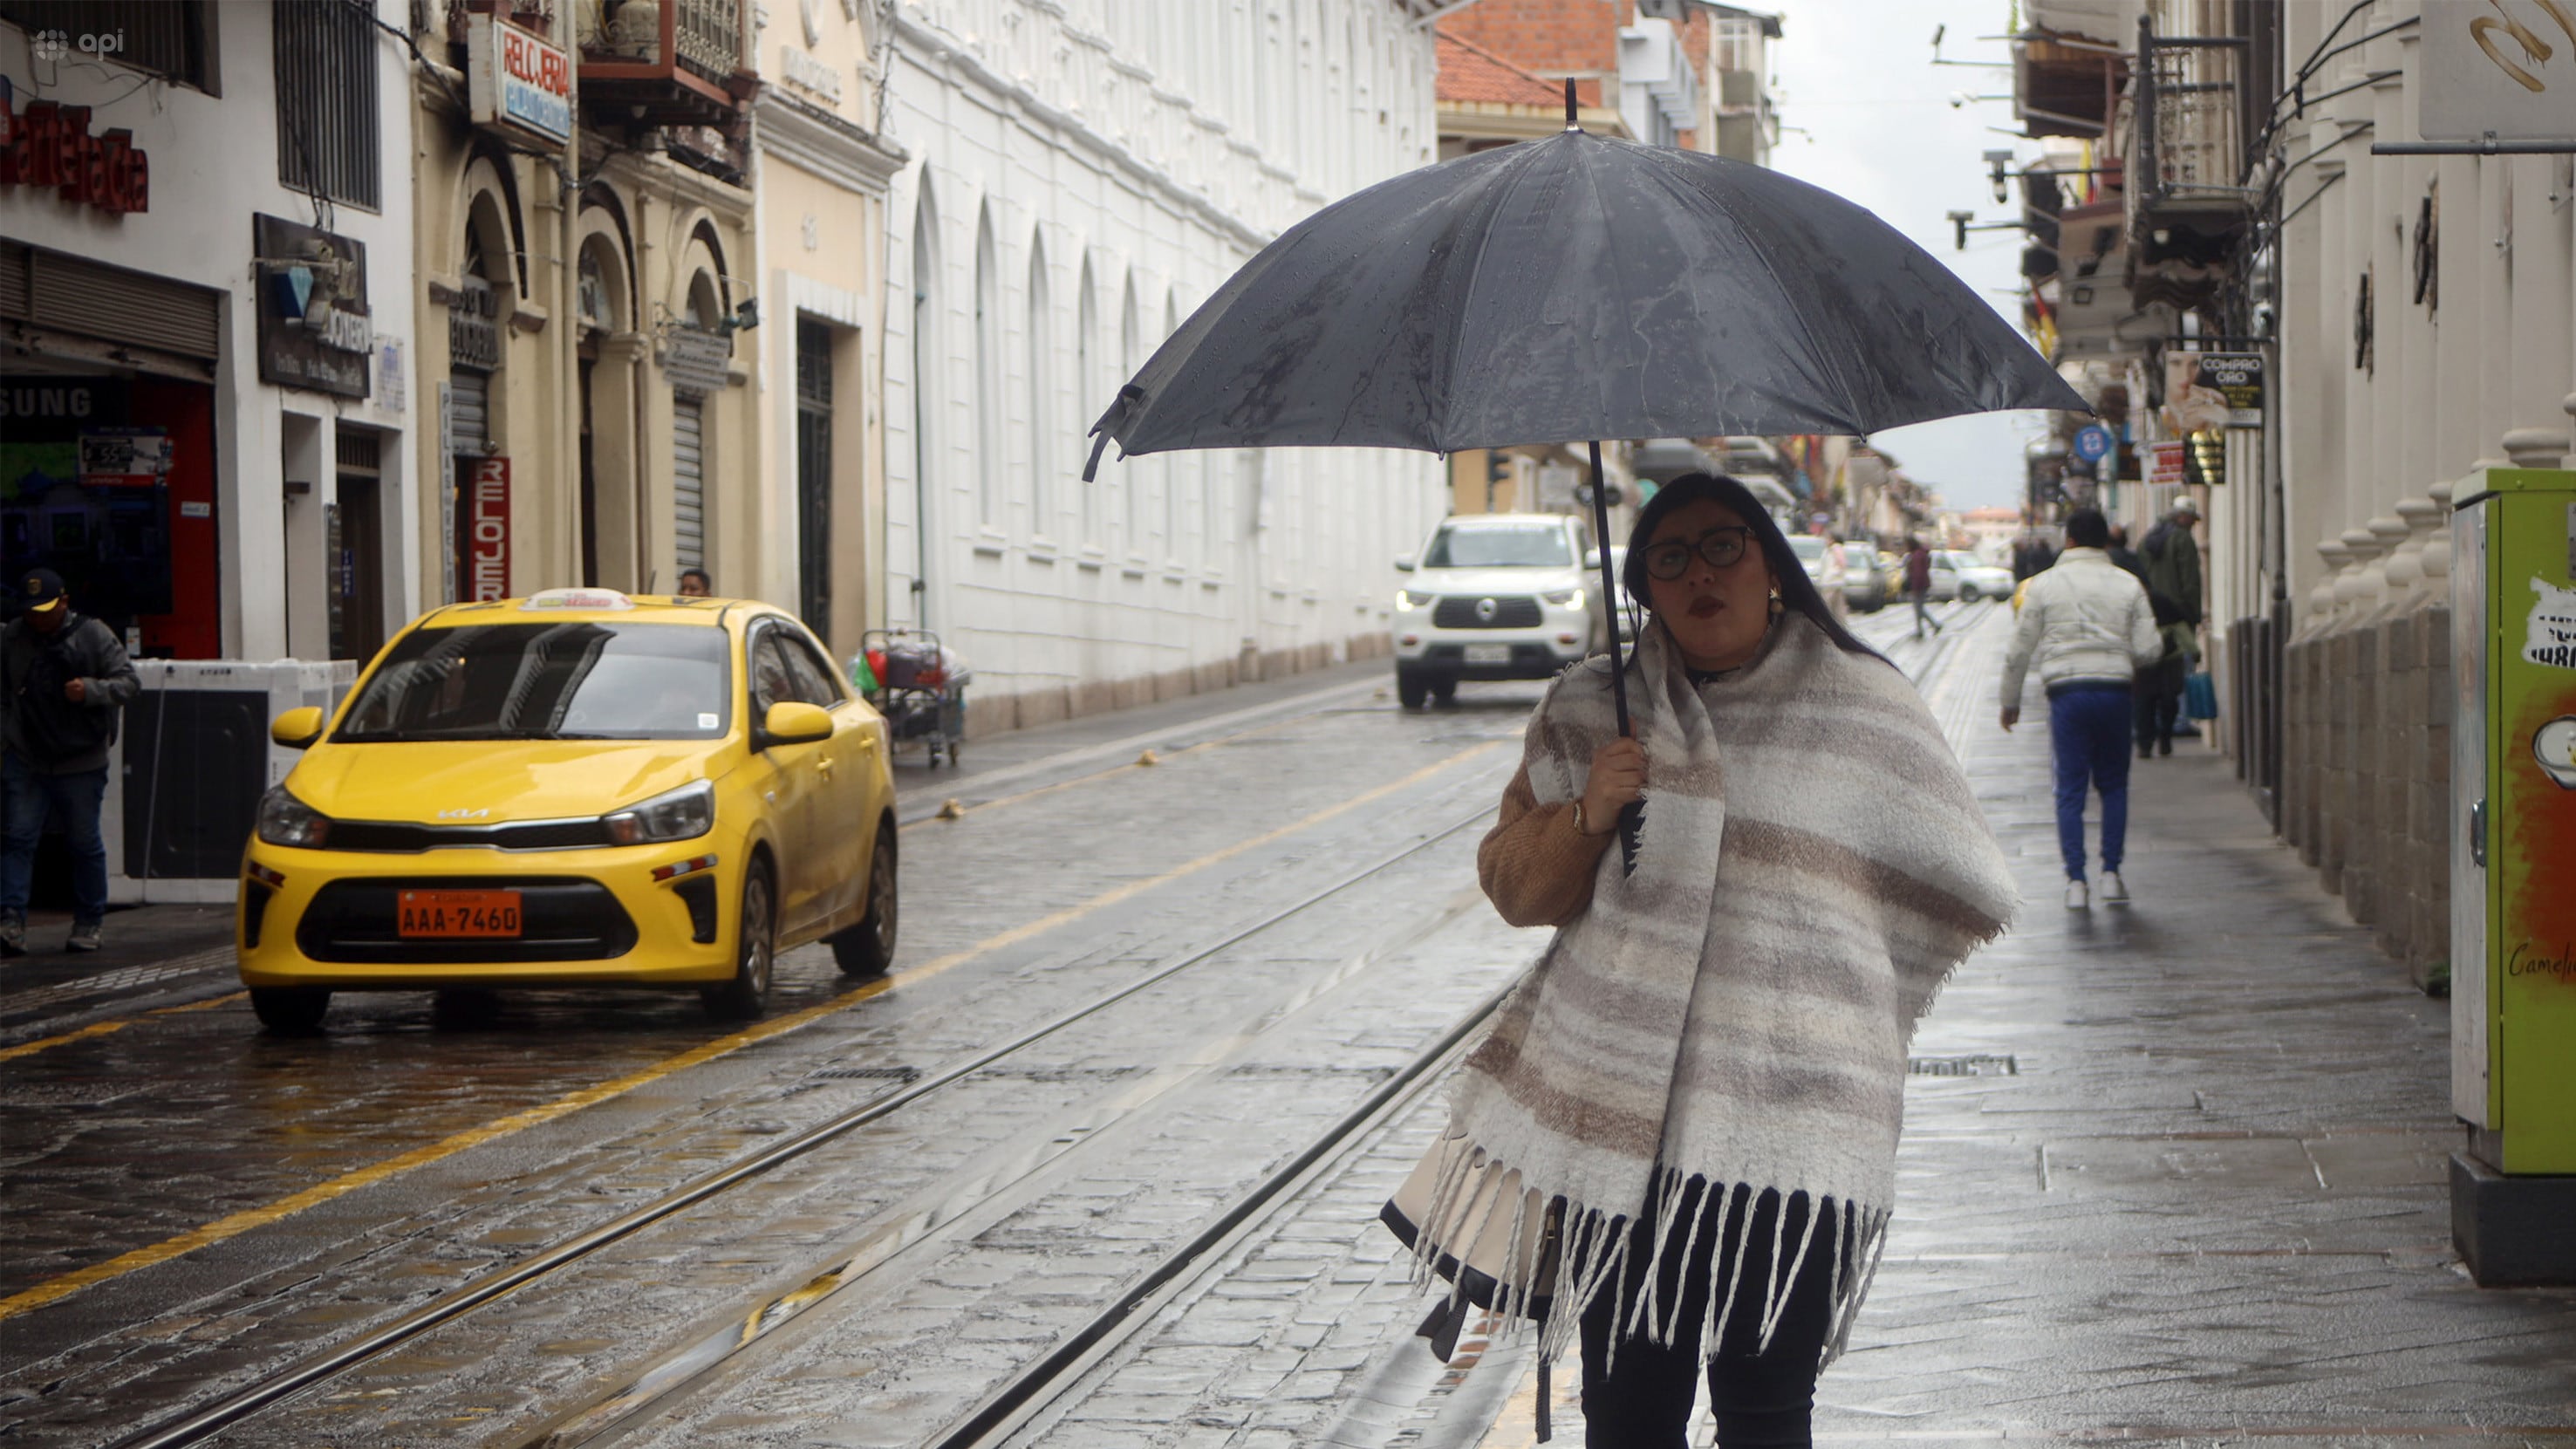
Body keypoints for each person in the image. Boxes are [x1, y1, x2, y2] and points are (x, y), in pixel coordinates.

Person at [1403, 475, 2016, 1446]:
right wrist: (1589, 810)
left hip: (1794, 1129)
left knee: (1766, 1417)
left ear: (1769, 560)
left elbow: (1956, 878)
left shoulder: (1864, 706)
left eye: (1723, 545)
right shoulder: (1591, 712)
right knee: (1628, 1416)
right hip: (1622, 1136)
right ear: (1642, 582)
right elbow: (1517, 890)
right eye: (1670, 556)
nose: (1700, 574)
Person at [1999, 509, 2162, 910]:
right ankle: (2111, 875)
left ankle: (2075, 881)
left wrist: (2010, 701)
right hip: (2114, 692)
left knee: (2070, 789)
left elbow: (2020, 648)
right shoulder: (2129, 584)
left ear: (2068, 540)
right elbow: (2149, 647)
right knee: (2114, 785)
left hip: (2067, 693)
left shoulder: (2043, 585)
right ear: (2105, 541)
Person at [1, 570, 140, 953]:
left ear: (63, 602)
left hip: (80, 759)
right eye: (30, 611)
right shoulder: (13, 635)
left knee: (83, 841)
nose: (37, 618)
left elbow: (129, 682)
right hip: (27, 756)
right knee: (18, 837)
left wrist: (91, 691)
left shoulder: (93, 634)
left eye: (44, 610)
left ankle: (89, 922)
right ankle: (10, 920)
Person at [2137, 501, 2204, 750]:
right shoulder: (2182, 540)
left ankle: (2147, 735)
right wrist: (2193, 615)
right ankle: (2175, 726)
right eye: (2193, 520)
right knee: (2175, 680)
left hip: (2148, 613)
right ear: (2184, 518)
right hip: (2176, 615)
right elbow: (2190, 580)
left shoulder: (2148, 539)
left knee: (2146, 684)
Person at [1903, 536, 1940, 639]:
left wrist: (1915, 587)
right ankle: (1921, 629)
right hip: (1923, 584)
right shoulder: (1921, 553)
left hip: (1919, 585)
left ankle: (1934, 625)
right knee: (1919, 608)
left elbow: (1918, 573)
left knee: (1919, 608)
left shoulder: (1917, 555)